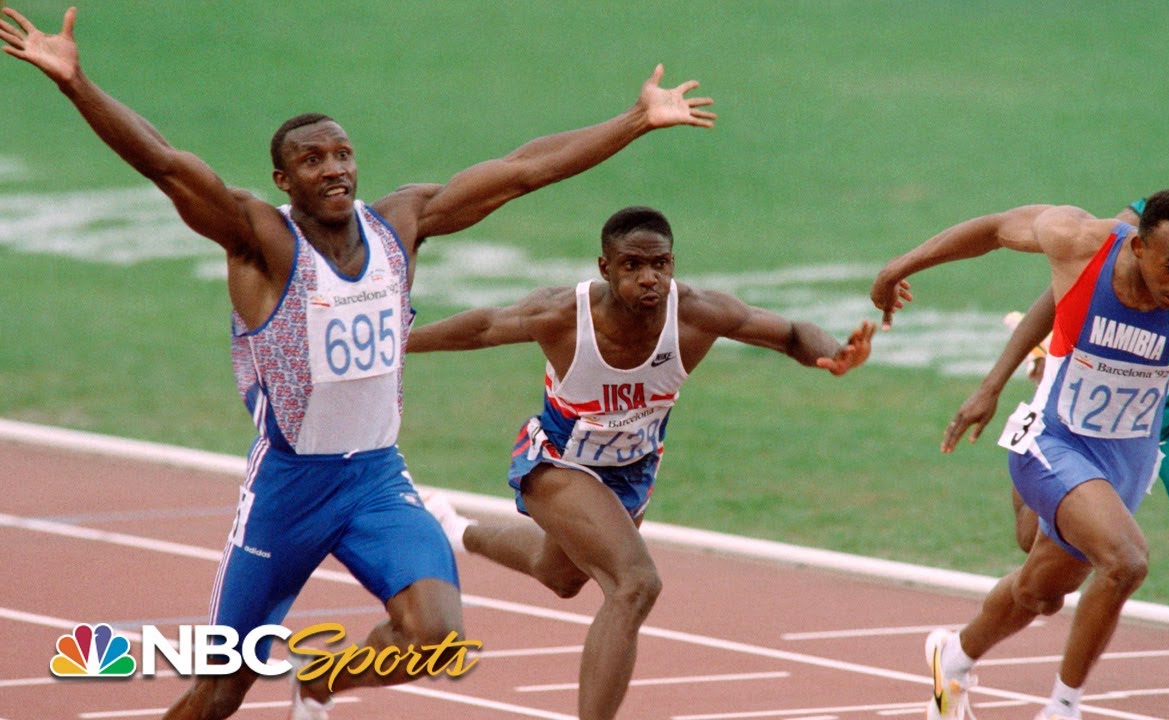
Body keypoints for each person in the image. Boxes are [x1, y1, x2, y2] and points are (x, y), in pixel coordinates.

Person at [1, 7, 717, 719]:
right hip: (287, 488)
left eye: (342, 153)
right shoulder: (262, 242)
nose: (335, 167)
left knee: (435, 639)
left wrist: (634, 120)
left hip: (374, 476)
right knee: (221, 688)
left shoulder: (399, 224)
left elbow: (523, 171)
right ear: (283, 179)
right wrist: (76, 83)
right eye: (313, 159)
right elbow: (165, 163)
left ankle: (321, 680)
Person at [406, 206, 875, 720]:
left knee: (559, 575)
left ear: (672, 264)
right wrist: (392, 345)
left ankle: (453, 529)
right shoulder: (561, 313)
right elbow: (478, 329)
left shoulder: (697, 311)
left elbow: (789, 332)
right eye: (631, 265)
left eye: (659, 264)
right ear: (605, 267)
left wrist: (832, 353)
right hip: (558, 462)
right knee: (634, 585)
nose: (648, 278)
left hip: (632, 473)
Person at [941, 117, 1169, 720]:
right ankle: (973, 657)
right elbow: (1069, 286)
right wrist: (1011, 371)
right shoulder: (1143, 223)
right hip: (1089, 395)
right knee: (1044, 584)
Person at [870, 189, 1169, 720]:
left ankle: (951, 658)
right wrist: (896, 269)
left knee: (1040, 593)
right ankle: (1063, 707)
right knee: (1125, 562)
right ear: (1138, 246)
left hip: (1127, 461)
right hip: (1054, 442)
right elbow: (995, 227)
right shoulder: (1078, 241)